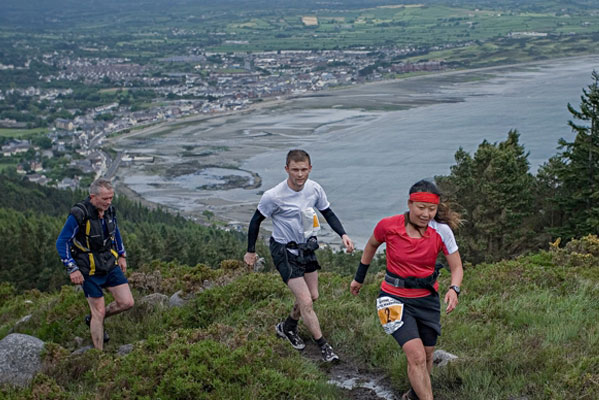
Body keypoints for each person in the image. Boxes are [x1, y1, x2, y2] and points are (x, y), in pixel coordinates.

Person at [350, 179, 463, 400]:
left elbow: (457, 266)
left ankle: (412, 395)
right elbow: (372, 244)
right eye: (421, 208)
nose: (426, 214)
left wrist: (454, 289)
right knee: (417, 356)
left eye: (432, 209)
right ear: (410, 204)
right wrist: (359, 278)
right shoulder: (388, 226)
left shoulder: (442, 231)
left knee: (428, 356)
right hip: (391, 298)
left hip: (427, 299)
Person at [244, 149, 355, 362]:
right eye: (295, 170)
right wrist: (251, 251)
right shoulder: (273, 196)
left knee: (313, 296)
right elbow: (255, 221)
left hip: (306, 248)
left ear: (310, 168)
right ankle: (324, 347)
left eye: (304, 169)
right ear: (286, 169)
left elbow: (327, 212)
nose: (300, 174)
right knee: (305, 301)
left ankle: (287, 327)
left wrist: (343, 234)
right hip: (284, 250)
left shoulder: (314, 189)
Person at [56, 178, 134, 350]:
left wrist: (122, 255)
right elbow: (62, 242)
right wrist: (72, 268)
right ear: (93, 197)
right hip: (88, 268)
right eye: (105, 199)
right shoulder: (79, 214)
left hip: (108, 263)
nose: (109, 202)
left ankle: (94, 319)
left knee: (127, 302)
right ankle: (98, 356)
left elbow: (115, 232)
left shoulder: (109, 211)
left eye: (111, 198)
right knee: (98, 310)